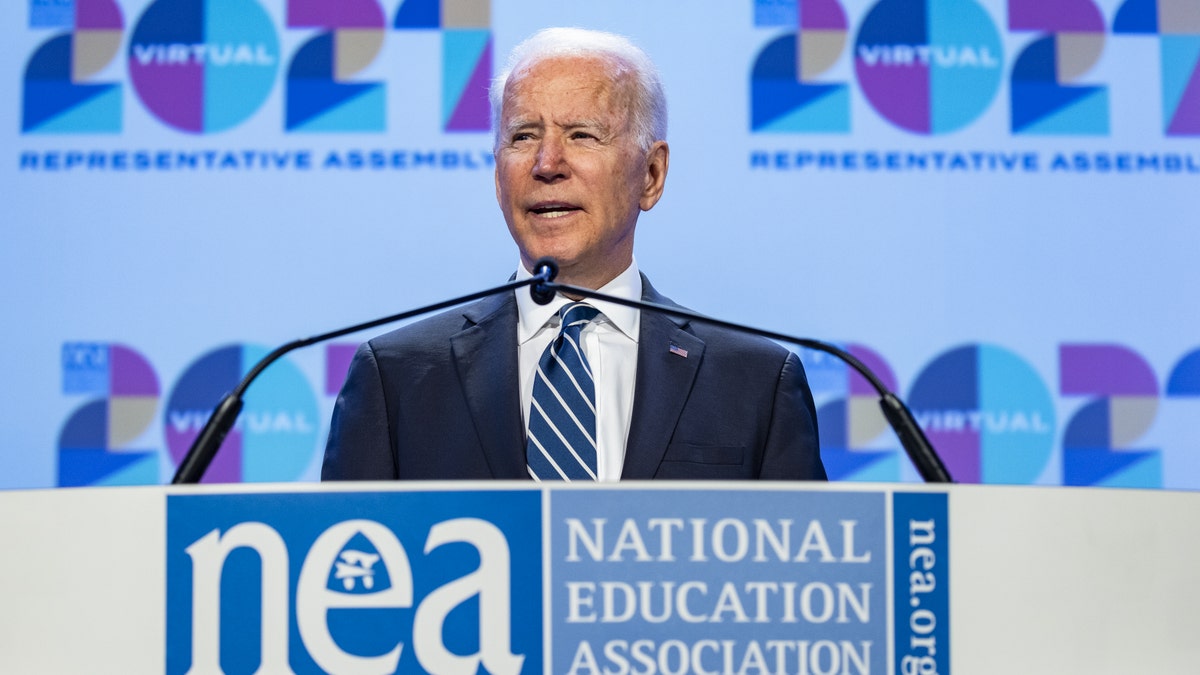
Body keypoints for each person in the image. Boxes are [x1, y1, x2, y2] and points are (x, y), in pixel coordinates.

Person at [322, 27, 824, 481]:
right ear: (499, 178)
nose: (547, 164)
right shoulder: (397, 377)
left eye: (582, 135)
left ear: (651, 175)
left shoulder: (754, 382)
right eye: (523, 137)